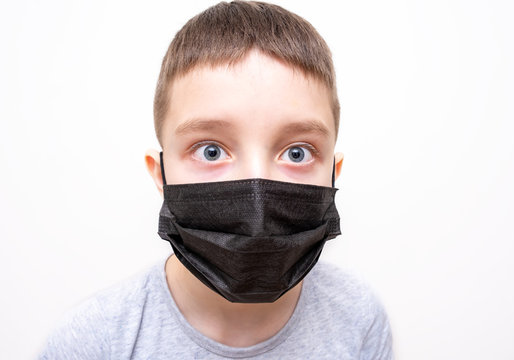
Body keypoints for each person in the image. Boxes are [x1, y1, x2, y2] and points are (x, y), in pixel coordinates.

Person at [39, 1, 393, 358]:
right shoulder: (91, 342)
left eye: (296, 152)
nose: (256, 188)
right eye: (210, 150)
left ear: (334, 173)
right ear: (161, 175)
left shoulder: (359, 319)